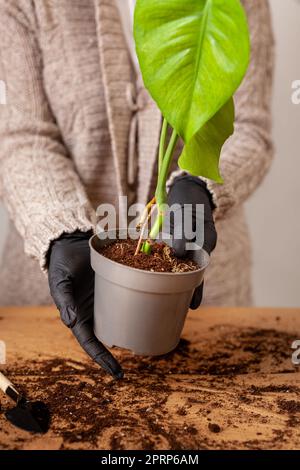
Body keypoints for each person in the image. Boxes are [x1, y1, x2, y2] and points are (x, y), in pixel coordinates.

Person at [0, 0, 274, 378]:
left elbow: (251, 128)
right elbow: (22, 135)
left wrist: (200, 183)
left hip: (204, 304)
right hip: (47, 302)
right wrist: (61, 229)